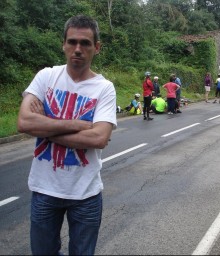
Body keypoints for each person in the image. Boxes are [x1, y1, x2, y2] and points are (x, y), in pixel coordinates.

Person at [16, 15, 117, 255]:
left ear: (97, 47)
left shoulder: (104, 88)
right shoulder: (46, 77)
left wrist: (46, 130)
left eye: (85, 43)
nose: (78, 49)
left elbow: (98, 139)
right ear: (63, 44)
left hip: (86, 193)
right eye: (72, 42)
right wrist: (79, 125)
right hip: (44, 190)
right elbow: (24, 122)